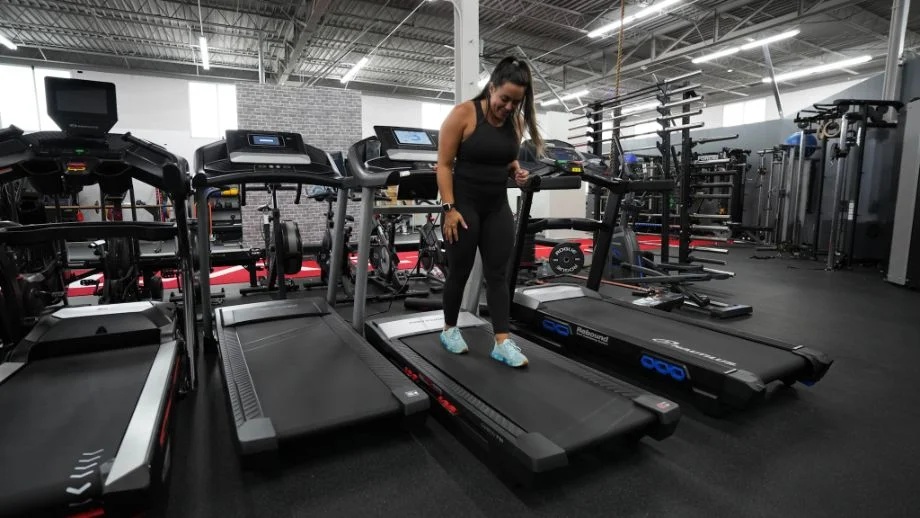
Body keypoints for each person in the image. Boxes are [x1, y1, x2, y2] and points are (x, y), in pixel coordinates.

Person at [435, 57, 543, 368]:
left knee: (499, 274)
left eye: (516, 102)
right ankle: (449, 329)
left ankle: (502, 341)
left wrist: (517, 172)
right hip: (464, 206)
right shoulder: (463, 114)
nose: (509, 107)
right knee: (461, 271)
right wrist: (449, 209)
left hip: (497, 206)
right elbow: (443, 165)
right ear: (492, 87)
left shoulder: (516, 123)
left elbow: (506, 160)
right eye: (504, 99)